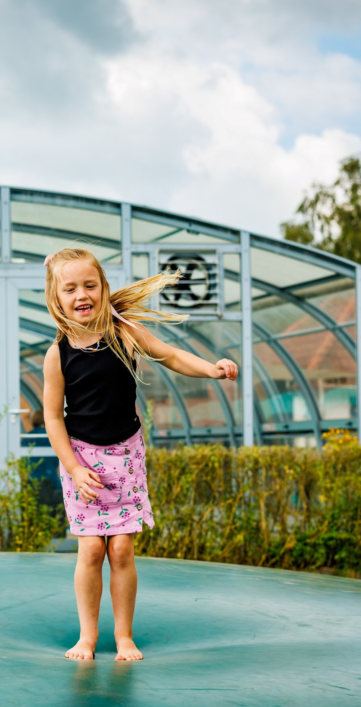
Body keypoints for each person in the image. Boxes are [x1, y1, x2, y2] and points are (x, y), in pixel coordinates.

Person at [42, 248, 237, 660]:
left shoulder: (123, 332)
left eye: (90, 285)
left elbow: (170, 355)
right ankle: (88, 637)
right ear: (56, 298)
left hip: (125, 456)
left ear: (104, 289)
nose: (82, 294)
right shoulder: (56, 356)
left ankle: (124, 636)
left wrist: (211, 369)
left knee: (122, 549)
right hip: (81, 461)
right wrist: (74, 469)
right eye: (71, 287)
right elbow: (53, 419)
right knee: (91, 549)